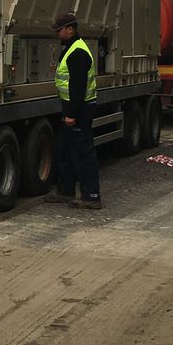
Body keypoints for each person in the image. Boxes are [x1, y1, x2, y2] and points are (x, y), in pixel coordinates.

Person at [45, 13, 102, 209]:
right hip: (71, 107)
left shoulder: (78, 52)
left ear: (70, 29)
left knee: (83, 152)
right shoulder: (70, 49)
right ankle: (65, 191)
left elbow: (78, 86)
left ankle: (91, 196)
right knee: (66, 149)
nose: (57, 33)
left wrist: (72, 114)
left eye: (59, 29)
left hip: (80, 109)